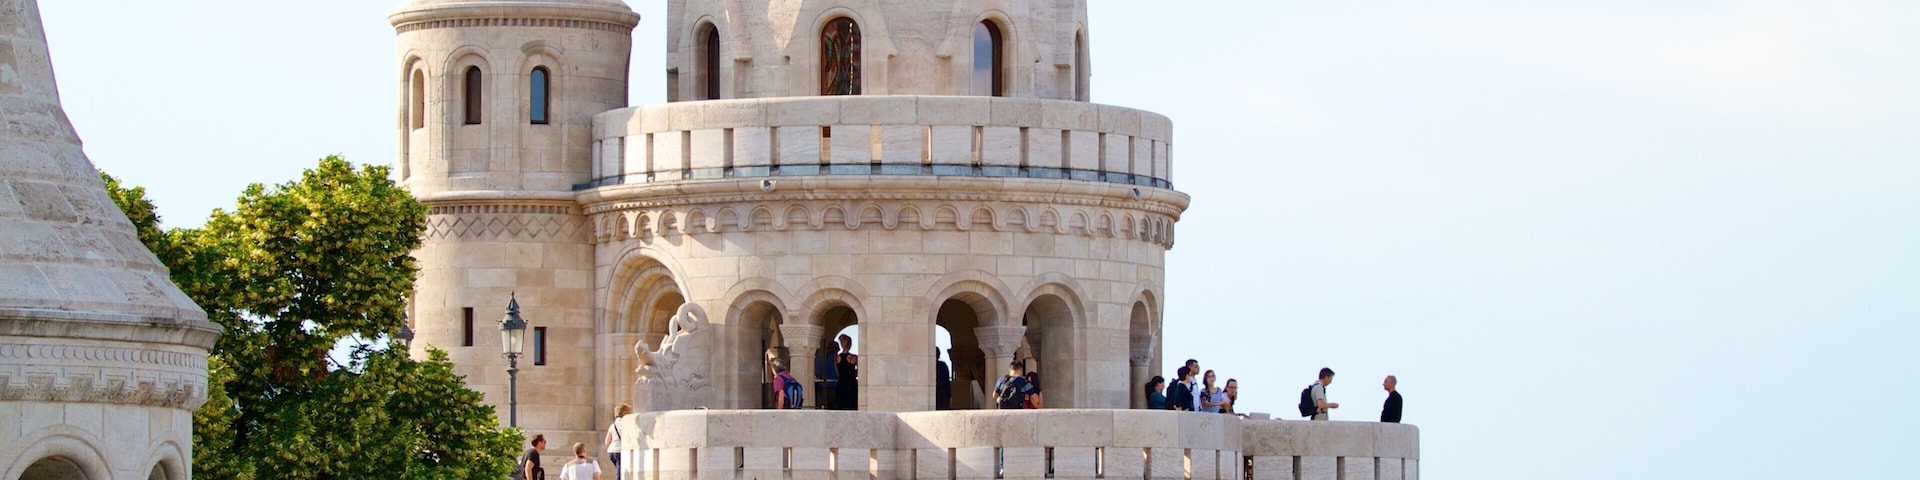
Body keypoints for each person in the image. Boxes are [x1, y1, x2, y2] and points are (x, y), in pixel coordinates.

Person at [602, 404, 631, 473]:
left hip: (611, 451)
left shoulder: (612, 425)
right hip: (619, 451)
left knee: (620, 470)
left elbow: (607, 442)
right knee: (620, 472)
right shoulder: (625, 423)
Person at [834, 334, 859, 410]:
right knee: (852, 405)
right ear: (850, 344)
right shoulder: (854, 357)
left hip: (841, 383)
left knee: (841, 405)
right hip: (851, 383)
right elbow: (858, 372)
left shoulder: (837, 357)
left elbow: (837, 372)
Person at [815, 340, 840, 411]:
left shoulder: (821, 358)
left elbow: (816, 372)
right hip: (836, 388)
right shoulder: (838, 358)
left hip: (823, 388)